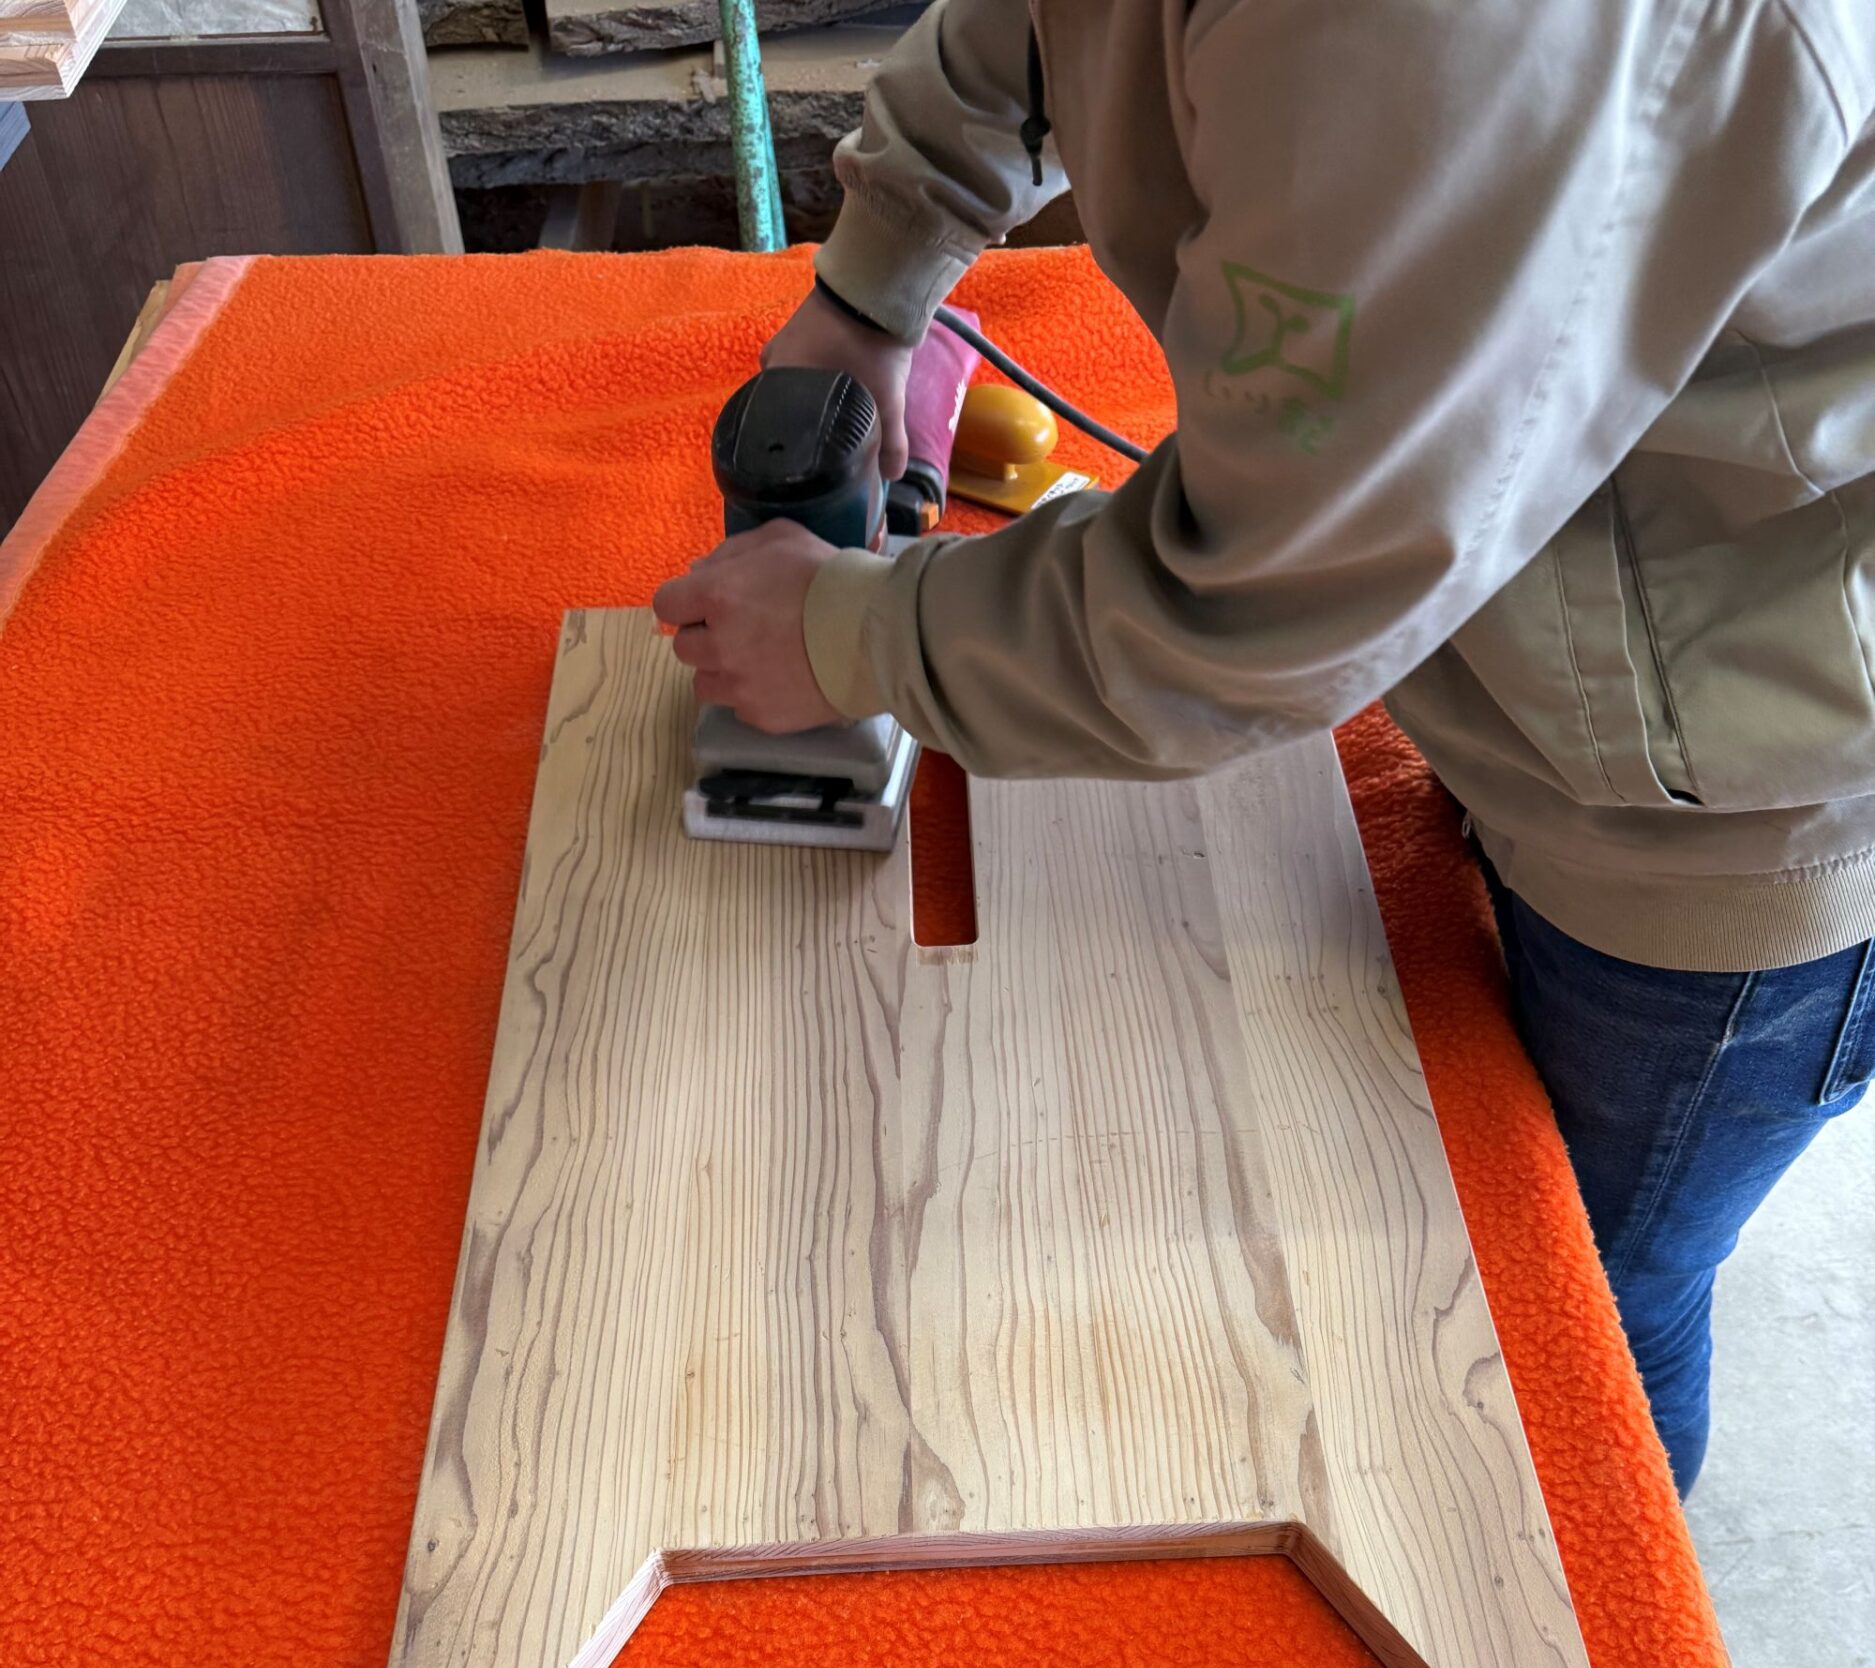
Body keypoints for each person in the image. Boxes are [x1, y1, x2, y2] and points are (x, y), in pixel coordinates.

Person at [652, 0, 1875, 1495]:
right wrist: (874, 279)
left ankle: (1610, 1602)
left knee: (1578, 1314)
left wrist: (855, 638)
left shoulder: (1464, 33)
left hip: (1736, 811)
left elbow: (1269, 592)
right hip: (1580, 636)